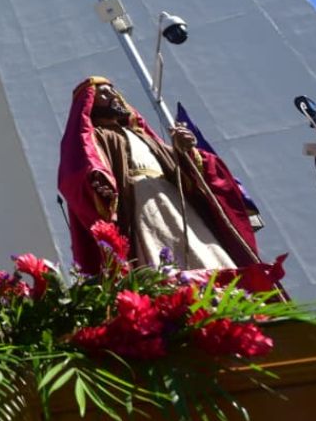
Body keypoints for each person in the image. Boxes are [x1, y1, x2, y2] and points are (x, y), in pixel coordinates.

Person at [58, 76, 261, 274]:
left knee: (206, 253)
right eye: (103, 93)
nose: (114, 95)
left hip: (175, 201)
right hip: (140, 203)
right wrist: (98, 180)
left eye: (113, 90)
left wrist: (186, 152)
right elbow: (78, 167)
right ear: (89, 103)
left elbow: (185, 177)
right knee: (158, 250)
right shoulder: (97, 137)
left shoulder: (145, 137)